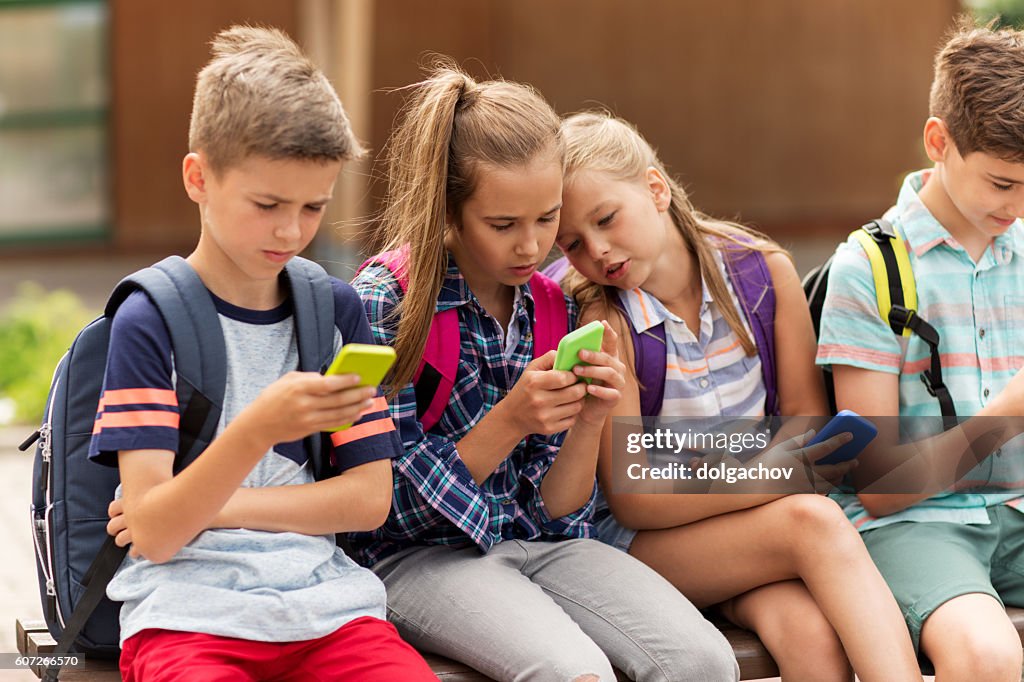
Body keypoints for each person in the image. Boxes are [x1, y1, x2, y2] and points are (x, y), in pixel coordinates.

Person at [349, 62, 739, 682]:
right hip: (416, 557)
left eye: (547, 218)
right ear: (448, 210)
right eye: (503, 225)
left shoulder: (553, 306)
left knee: (704, 661)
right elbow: (379, 508)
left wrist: (587, 424)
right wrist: (508, 423)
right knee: (572, 672)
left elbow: (558, 513)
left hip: (542, 546)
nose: (531, 248)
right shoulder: (386, 303)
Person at [92, 25, 436, 681]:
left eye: (313, 207)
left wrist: (214, 510)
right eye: (267, 204)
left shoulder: (336, 311)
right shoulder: (150, 320)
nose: (291, 230)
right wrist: (258, 431)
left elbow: (368, 500)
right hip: (187, 622)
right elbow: (158, 534)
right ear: (199, 177)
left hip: (330, 615)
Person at [554, 111, 921, 681]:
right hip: (645, 547)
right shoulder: (608, 320)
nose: (597, 251)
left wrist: (738, 468)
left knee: (811, 640)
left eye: (606, 219)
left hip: (748, 532)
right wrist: (760, 474)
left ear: (655, 189)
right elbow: (633, 497)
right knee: (814, 521)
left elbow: (806, 419)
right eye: (573, 242)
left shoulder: (762, 272)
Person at [817, 18, 1024, 680]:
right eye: (1001, 183)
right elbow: (878, 485)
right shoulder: (868, 269)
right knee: (986, 657)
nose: (1018, 206)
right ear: (939, 141)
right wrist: (1004, 417)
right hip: (919, 527)